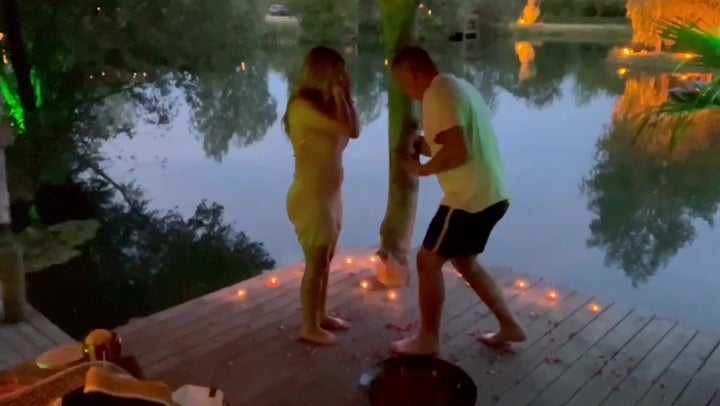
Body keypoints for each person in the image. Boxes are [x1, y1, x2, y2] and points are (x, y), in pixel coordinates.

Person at [389, 46, 526, 355]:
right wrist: (420, 146)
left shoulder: (437, 95)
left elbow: (459, 150)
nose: (405, 91)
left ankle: (428, 339)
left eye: (402, 82)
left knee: (427, 262)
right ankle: (510, 325)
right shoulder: (458, 87)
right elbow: (451, 144)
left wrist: (420, 170)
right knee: (465, 262)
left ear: (413, 73)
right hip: (493, 194)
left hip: (469, 199)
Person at [282, 46, 360, 345]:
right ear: (322, 73)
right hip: (310, 197)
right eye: (337, 72)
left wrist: (345, 98)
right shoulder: (301, 107)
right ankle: (308, 326)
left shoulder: (330, 106)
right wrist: (340, 98)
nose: (342, 76)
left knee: (326, 259)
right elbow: (344, 129)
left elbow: (355, 130)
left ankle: (321, 315)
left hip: (331, 196)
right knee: (315, 264)